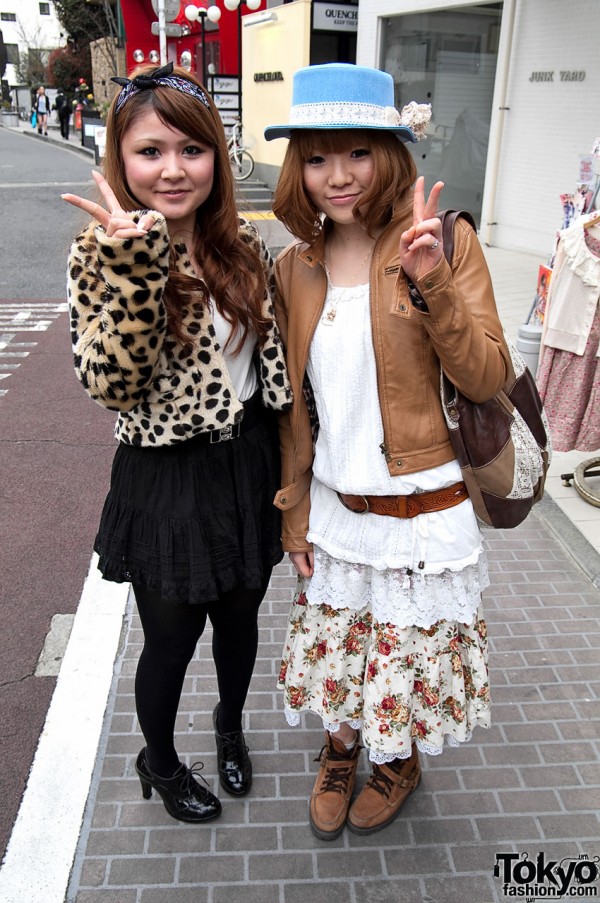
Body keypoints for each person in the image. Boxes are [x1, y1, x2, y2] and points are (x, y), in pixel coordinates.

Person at [265, 63, 510, 839]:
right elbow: (294, 411)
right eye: (315, 156)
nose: (337, 176)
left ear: (392, 154)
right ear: (296, 168)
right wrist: (294, 512)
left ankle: (397, 761)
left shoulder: (446, 239)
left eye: (358, 153)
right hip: (339, 511)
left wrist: (432, 277)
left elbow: (488, 372)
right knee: (342, 658)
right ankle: (339, 750)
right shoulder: (293, 267)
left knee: (403, 660)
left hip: (424, 512)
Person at [62, 62, 292, 824]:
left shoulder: (241, 246)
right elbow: (112, 385)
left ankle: (229, 726)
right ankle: (158, 763)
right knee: (169, 640)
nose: (171, 169)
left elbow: (274, 365)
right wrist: (135, 269)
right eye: (150, 151)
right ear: (119, 161)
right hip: (166, 475)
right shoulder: (99, 254)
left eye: (191, 150)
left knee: (241, 617)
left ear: (216, 160)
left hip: (246, 462)